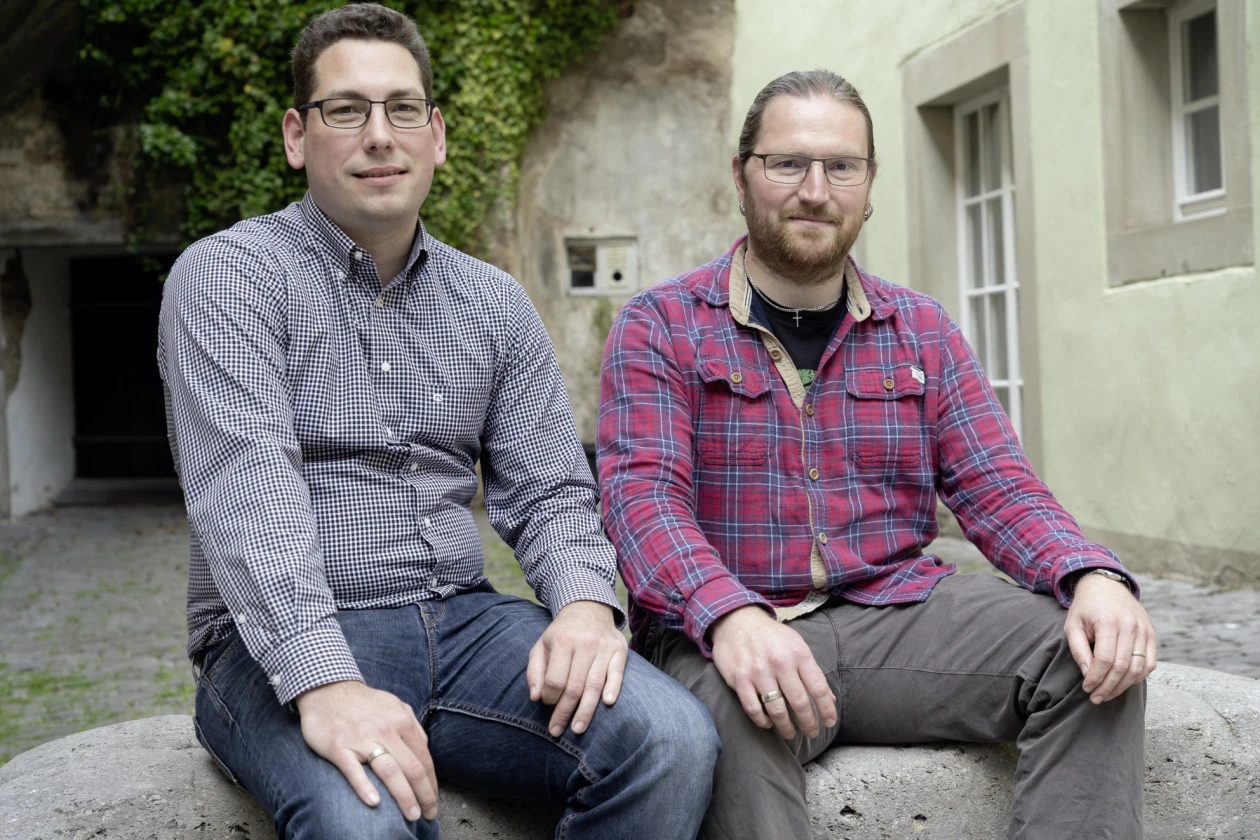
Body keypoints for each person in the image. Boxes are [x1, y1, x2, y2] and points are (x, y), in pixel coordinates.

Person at [157, 5, 718, 839]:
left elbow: (552, 490)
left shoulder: (493, 301)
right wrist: (325, 684)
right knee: (362, 821)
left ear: (438, 134)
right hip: (274, 643)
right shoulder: (227, 279)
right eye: (346, 110)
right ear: (296, 136)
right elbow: (247, 494)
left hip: (465, 625)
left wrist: (582, 604)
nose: (380, 135)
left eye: (403, 108)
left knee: (670, 739)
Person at [597, 69, 1156, 840]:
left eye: (841, 166)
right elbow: (643, 502)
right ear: (742, 175)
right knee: (723, 722)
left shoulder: (920, 328)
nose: (815, 190)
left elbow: (999, 485)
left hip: (896, 614)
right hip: (729, 630)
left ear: (869, 184)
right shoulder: (662, 325)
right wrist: (729, 616)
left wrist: (1091, 575)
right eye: (788, 163)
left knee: (1090, 656)